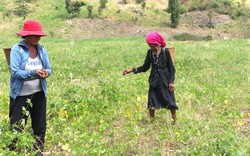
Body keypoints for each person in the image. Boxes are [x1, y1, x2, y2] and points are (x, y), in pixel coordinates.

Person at [9, 19, 52, 154]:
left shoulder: (42, 50)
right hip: (21, 95)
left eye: (39, 35)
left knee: (40, 127)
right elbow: (15, 72)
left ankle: (38, 152)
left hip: (39, 94)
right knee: (17, 127)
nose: (38, 38)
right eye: (34, 35)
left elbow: (49, 68)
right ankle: (14, 152)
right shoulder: (17, 49)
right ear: (26, 35)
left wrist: (46, 72)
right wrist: (35, 72)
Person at [122, 32, 178, 124]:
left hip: (165, 81)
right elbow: (145, 67)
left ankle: (174, 121)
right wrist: (132, 70)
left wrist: (171, 82)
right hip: (154, 81)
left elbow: (172, 69)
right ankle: (152, 122)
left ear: (155, 42)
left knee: (170, 102)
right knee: (151, 102)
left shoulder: (165, 51)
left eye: (150, 43)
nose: (149, 45)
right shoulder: (150, 53)